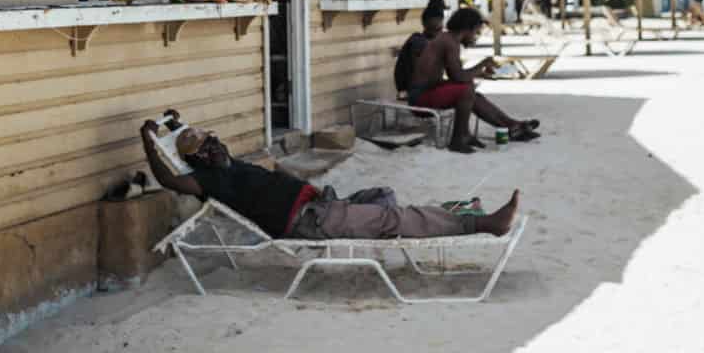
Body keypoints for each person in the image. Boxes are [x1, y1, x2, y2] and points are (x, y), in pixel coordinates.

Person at [140, 113, 521, 241]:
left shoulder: (229, 165)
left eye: (214, 139)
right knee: (394, 218)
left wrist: (175, 124)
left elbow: (192, 143)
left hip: (319, 203)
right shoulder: (211, 182)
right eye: (208, 147)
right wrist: (147, 139)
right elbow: (170, 179)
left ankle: (448, 216)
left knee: (384, 195)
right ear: (202, 161)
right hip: (308, 222)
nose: (216, 146)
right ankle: (481, 224)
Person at [409, 7, 540, 152]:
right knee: (467, 89)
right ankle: (458, 139)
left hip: (427, 91)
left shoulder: (448, 39)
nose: (475, 37)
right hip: (419, 98)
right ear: (466, 28)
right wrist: (483, 64)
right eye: (476, 32)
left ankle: (512, 126)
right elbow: (458, 77)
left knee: (473, 94)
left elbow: (457, 76)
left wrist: (479, 73)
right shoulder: (449, 42)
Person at [393, 0, 446, 94]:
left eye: (438, 29)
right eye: (433, 30)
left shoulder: (435, 42)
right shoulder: (418, 42)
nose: (437, 33)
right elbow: (420, 75)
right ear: (424, 25)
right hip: (413, 90)